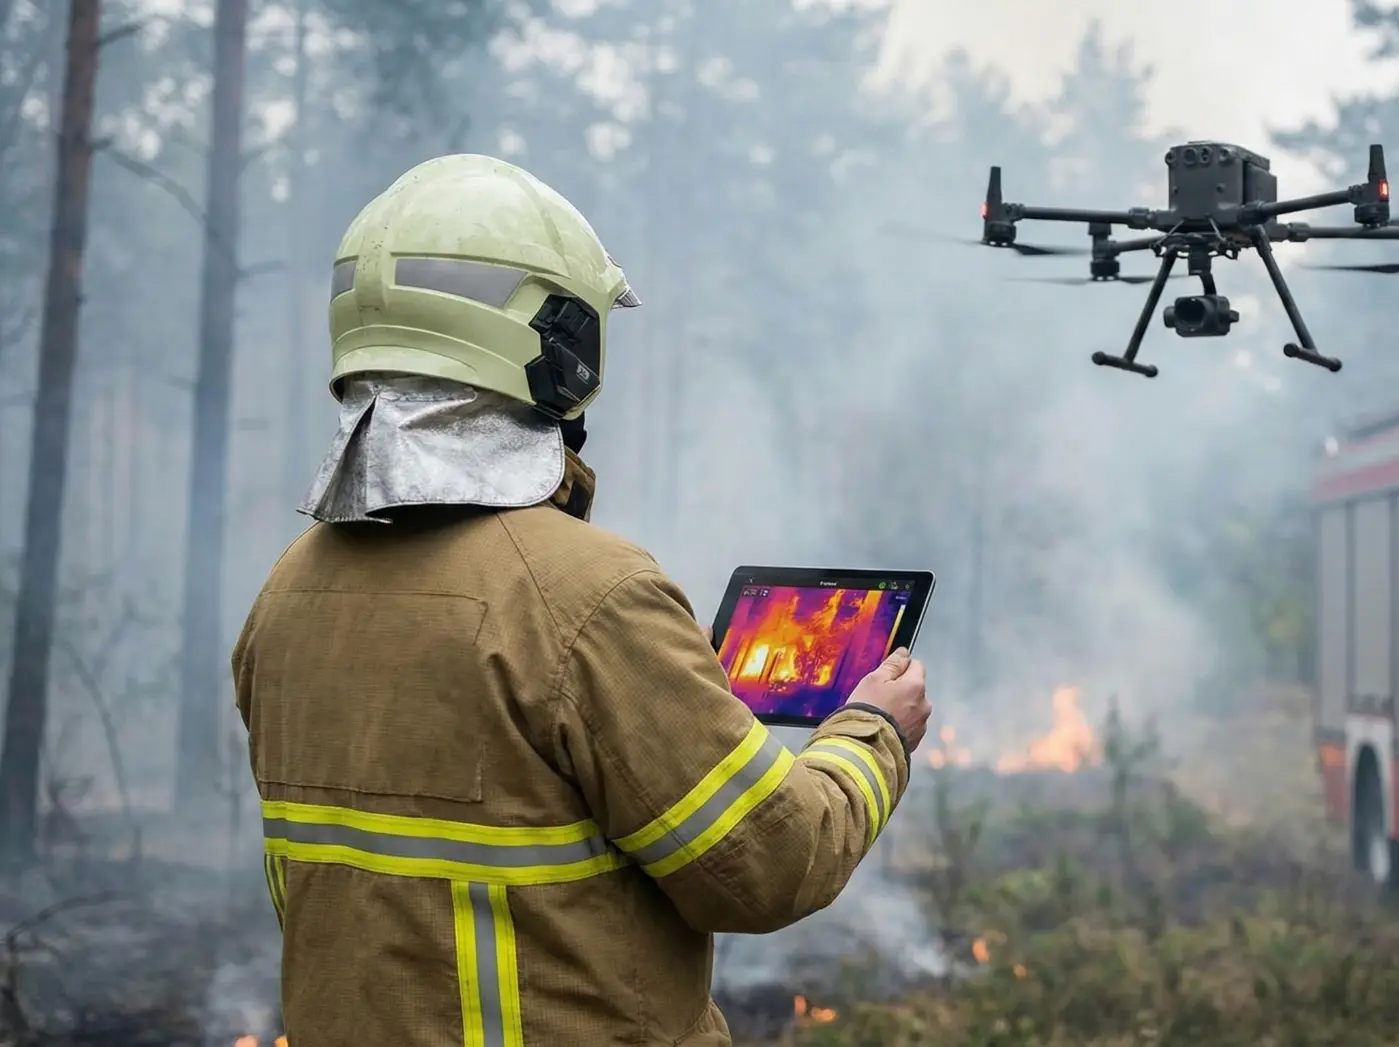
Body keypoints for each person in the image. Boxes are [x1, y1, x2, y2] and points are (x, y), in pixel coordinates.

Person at [230, 153, 932, 1046]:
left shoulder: (290, 590)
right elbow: (770, 863)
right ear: (562, 350)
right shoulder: (591, 601)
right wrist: (873, 732)